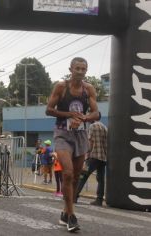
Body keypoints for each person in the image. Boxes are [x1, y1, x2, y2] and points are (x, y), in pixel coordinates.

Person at [46, 57, 99, 232]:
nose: (80, 71)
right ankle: (71, 216)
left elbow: (96, 113)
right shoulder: (61, 87)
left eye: (84, 69)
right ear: (70, 69)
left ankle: (64, 211)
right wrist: (69, 114)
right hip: (62, 134)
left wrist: (84, 117)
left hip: (81, 134)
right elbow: (48, 110)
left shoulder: (88, 89)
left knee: (76, 176)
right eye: (77, 68)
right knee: (67, 173)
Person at [76, 112, 107, 206]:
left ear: (95, 117)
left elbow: (91, 142)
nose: (88, 117)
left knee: (83, 175)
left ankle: (74, 196)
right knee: (101, 179)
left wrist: (86, 154)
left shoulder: (92, 126)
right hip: (103, 157)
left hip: (93, 156)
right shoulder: (105, 127)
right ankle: (99, 200)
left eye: (90, 115)